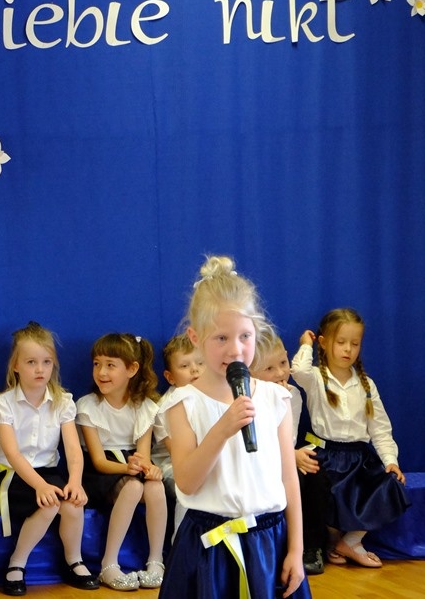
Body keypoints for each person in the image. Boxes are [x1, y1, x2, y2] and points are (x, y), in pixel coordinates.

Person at [160, 256, 309, 599]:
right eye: (221, 338)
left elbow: (289, 478)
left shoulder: (275, 398)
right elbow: (187, 481)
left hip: (270, 542)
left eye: (245, 336)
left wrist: (296, 549)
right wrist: (222, 429)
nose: (236, 349)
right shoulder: (182, 404)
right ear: (195, 337)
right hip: (209, 549)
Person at [291, 308, 409, 569]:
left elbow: (380, 428)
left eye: (354, 344)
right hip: (326, 455)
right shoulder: (315, 378)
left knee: (393, 485)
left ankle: (351, 541)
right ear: (324, 343)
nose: (348, 349)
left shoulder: (366, 384)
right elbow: (297, 370)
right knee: (317, 489)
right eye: (341, 342)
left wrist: (390, 460)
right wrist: (306, 344)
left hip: (358, 459)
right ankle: (329, 544)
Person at [0, 322, 98, 596]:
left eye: (46, 362)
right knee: (50, 504)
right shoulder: (3, 403)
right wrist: (39, 486)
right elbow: (12, 453)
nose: (40, 369)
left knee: (73, 504)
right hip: (12, 474)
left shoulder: (63, 401)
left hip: (47, 471)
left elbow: (73, 449)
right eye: (31, 362)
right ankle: (17, 563)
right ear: (16, 365)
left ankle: (74, 561)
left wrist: (75, 482)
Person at [76, 333, 166, 591]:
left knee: (155, 486)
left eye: (110, 365)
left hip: (131, 466)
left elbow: (143, 455)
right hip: (101, 473)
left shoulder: (145, 406)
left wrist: (150, 469)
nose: (101, 372)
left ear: (132, 369)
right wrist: (128, 469)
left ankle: (156, 560)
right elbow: (98, 461)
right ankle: (109, 563)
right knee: (133, 486)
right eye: (97, 364)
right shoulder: (88, 406)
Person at [250, 327, 329, 576]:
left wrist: (294, 456)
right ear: (250, 372)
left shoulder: (292, 395)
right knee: (295, 475)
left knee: (314, 473)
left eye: (283, 363)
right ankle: (279, 546)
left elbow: (289, 437)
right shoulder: (247, 400)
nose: (280, 372)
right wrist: (291, 456)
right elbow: (255, 443)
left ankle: (311, 547)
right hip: (256, 463)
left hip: (282, 457)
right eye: (269, 368)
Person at [152, 334, 205, 486]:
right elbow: (179, 455)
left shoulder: (215, 395)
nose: (195, 369)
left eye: (201, 363)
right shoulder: (165, 407)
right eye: (184, 366)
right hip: (172, 466)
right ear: (170, 377)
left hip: (209, 460)